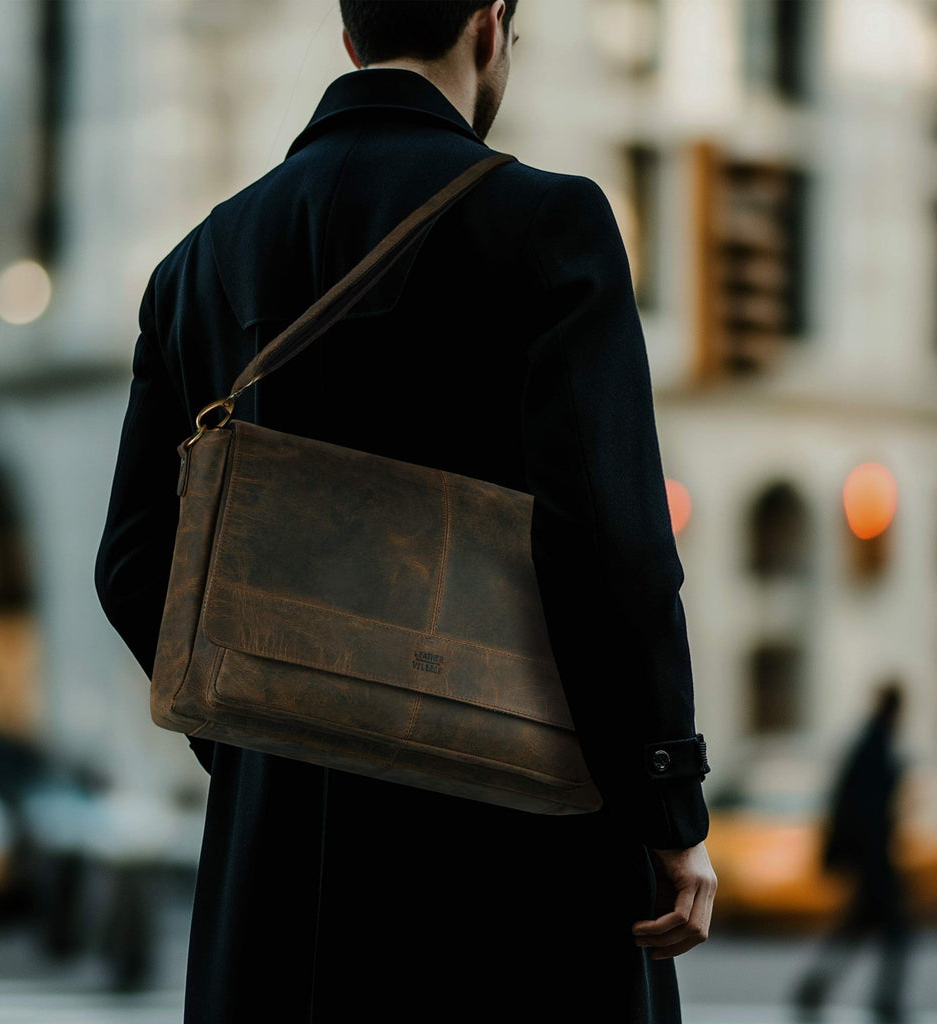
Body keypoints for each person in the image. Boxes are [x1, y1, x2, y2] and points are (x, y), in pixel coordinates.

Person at [94, 3, 716, 1020]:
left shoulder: (192, 268)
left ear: (350, 39)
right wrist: (669, 806)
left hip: (276, 870)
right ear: (487, 25)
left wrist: (275, 726)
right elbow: (610, 549)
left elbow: (130, 564)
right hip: (514, 854)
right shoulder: (549, 223)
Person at [791, 681, 914, 1024]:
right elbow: (864, 811)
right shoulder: (874, 745)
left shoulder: (874, 741)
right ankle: (884, 1003)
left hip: (872, 859)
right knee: (893, 933)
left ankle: (814, 989)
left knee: (857, 931)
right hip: (874, 860)